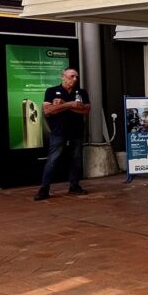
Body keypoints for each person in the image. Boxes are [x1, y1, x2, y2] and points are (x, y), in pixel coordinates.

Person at [35, 68, 91, 201]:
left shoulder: (81, 92)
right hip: (58, 131)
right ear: (63, 77)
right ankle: (44, 189)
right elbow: (48, 110)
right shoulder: (52, 91)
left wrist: (64, 104)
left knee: (76, 159)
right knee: (53, 159)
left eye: (76, 77)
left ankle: (74, 186)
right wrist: (72, 105)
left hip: (76, 131)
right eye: (72, 76)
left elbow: (86, 110)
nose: (75, 79)